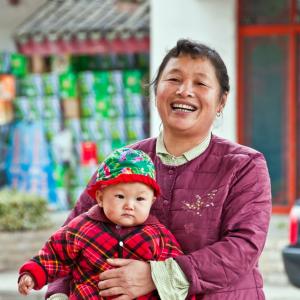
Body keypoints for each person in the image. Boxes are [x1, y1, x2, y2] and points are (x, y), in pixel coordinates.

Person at [46, 39, 272, 300]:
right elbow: (69, 238)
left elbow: (243, 247)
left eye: (200, 83)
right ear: (155, 93)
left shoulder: (244, 166)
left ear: (221, 101)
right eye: (174, 79)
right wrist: (58, 294)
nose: (184, 91)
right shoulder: (122, 161)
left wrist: (157, 275)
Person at [18, 148, 186, 300]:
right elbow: (54, 254)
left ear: (151, 202)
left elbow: (177, 273)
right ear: (100, 197)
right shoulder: (82, 228)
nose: (130, 205)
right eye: (120, 196)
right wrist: (33, 274)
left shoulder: (157, 235)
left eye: (140, 198)